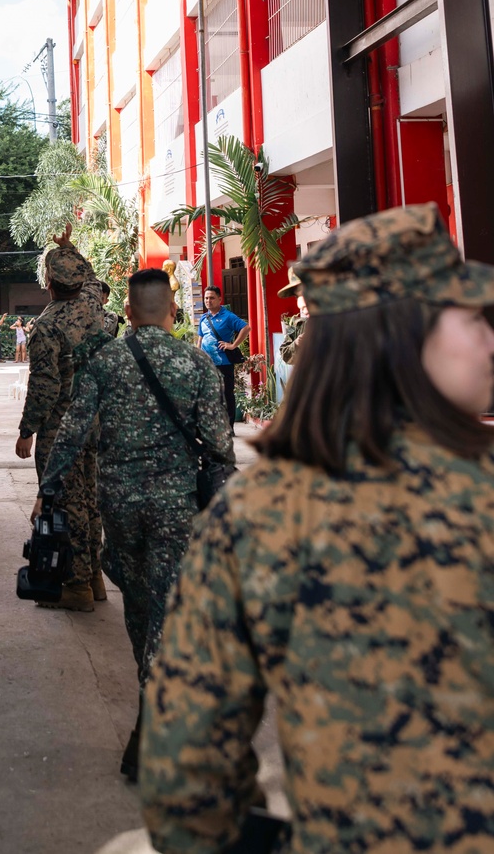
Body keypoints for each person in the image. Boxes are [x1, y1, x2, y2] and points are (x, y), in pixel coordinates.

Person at [140, 202, 494, 854]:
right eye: (471, 318)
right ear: (406, 334)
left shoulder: (255, 514)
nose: (489, 338)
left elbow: (183, 782)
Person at [38, 267, 234, 781]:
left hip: (118, 505)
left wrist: (48, 489)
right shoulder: (197, 365)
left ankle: (153, 713)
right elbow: (219, 452)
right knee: (167, 604)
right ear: (174, 311)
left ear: (126, 312)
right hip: (175, 508)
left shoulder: (106, 361)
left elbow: (72, 429)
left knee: (141, 604)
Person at [15, 227, 104, 612]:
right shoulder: (93, 305)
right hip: (94, 420)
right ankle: (94, 573)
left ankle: (78, 584)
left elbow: (45, 385)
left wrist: (26, 431)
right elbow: (90, 276)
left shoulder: (47, 326)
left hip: (61, 428)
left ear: (48, 282)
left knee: (66, 502)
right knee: (89, 496)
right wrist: (69, 247)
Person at [198, 284, 248, 427]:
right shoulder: (204, 317)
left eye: (212, 298)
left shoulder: (228, 316)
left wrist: (233, 345)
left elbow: (246, 328)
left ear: (219, 299)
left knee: (226, 395)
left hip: (224, 364)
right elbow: (200, 339)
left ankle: (228, 426)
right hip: (207, 364)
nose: (208, 301)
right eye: (206, 298)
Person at [278, 265, 308, 366]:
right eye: (297, 296)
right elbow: (285, 354)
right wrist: (297, 343)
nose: (300, 303)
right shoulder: (300, 325)